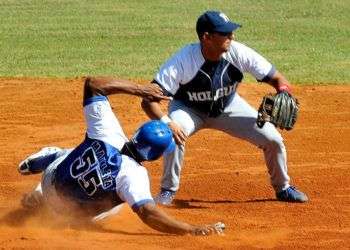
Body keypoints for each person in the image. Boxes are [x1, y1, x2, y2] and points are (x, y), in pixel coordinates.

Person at [17, 77, 225, 236]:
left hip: (49, 180)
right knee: (121, 202)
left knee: (74, 152)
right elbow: (148, 213)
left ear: (137, 134)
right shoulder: (134, 176)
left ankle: (48, 160)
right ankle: (55, 206)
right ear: (154, 156)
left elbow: (93, 84)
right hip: (65, 212)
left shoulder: (108, 131)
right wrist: (191, 229)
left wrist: (139, 90)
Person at [141, 10, 308, 205]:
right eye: (225, 33)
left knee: (272, 139)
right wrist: (167, 122)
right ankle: (167, 192)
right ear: (206, 37)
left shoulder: (238, 52)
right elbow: (148, 100)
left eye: (231, 32)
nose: (232, 36)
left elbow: (278, 79)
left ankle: (283, 188)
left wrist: (284, 91)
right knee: (174, 134)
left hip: (229, 107)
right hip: (188, 110)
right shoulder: (183, 60)